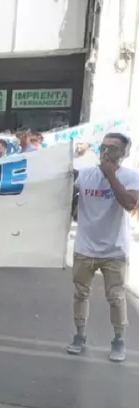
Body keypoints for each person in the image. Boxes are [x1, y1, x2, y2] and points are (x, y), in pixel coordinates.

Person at [67, 133, 139, 362]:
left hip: (114, 251)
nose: (106, 152)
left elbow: (130, 204)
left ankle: (118, 340)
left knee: (116, 298)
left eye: (113, 148)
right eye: (103, 147)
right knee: (80, 294)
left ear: (124, 153)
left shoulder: (131, 176)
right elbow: (67, 195)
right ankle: (80, 335)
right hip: (84, 247)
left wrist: (110, 176)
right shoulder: (86, 174)